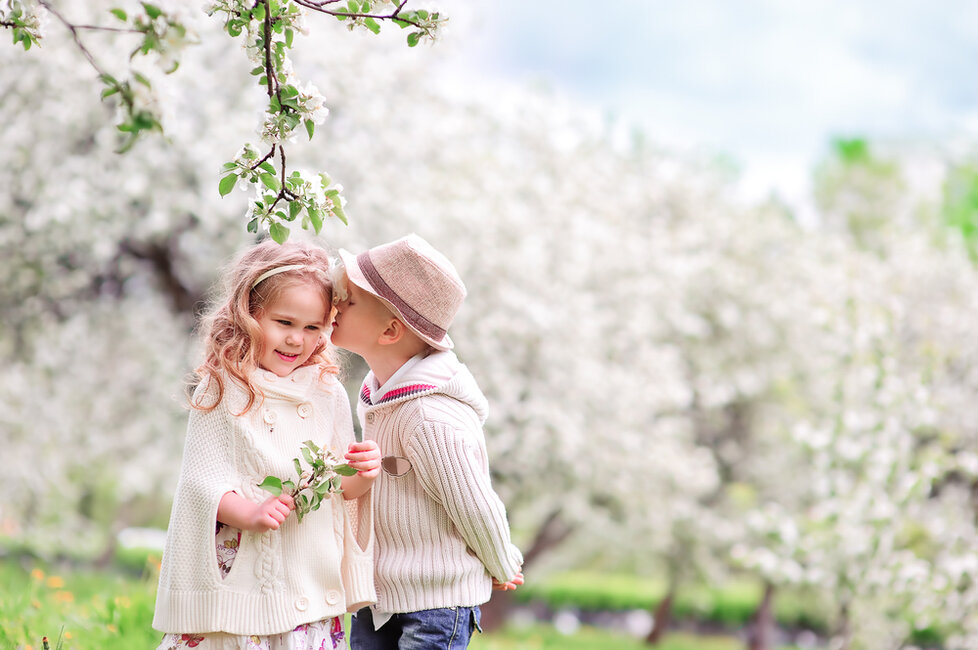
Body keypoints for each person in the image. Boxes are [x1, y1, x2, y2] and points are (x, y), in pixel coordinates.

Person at [153, 240, 382, 650]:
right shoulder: (224, 387)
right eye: (284, 322)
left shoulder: (327, 392)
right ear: (249, 314)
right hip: (248, 578)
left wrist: (362, 476)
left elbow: (335, 485)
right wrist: (250, 513)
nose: (297, 339)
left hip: (307, 577)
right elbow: (202, 482)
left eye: (313, 328)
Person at [330, 233, 524, 650]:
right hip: (379, 593)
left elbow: (474, 503)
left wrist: (502, 561)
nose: (336, 304)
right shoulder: (379, 395)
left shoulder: (428, 415)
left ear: (390, 330)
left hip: (437, 602)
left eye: (350, 300)